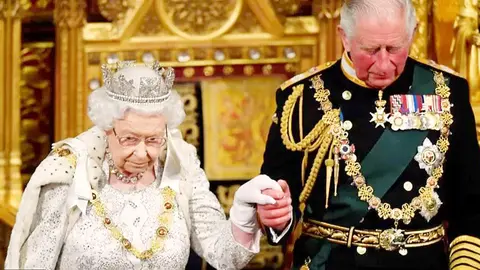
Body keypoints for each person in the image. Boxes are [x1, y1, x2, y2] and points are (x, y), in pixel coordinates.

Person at [257, 0, 480, 269]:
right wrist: (277, 218)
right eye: (371, 50)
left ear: (413, 33)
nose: (384, 63)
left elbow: (470, 204)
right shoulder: (302, 98)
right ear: (345, 37)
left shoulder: (447, 91)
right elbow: (279, 200)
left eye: (395, 48)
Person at [4, 61, 290, 269]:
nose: (142, 153)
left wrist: (242, 211)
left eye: (153, 139)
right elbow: (34, 263)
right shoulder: (68, 172)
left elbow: (226, 257)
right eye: (129, 138)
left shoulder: (181, 168)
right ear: (106, 128)